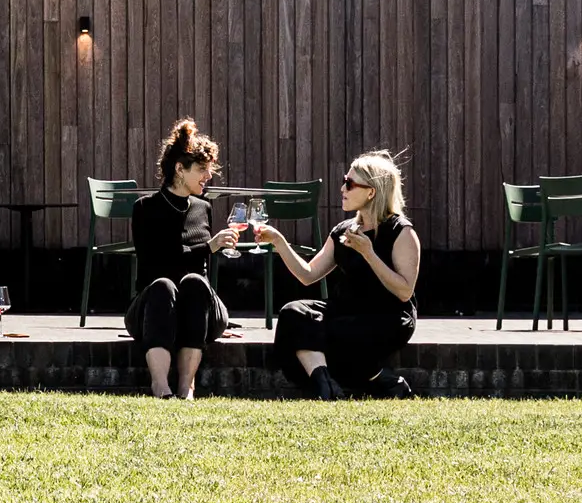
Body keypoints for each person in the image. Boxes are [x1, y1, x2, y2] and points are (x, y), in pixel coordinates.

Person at [255, 149, 422, 396]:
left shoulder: (401, 232)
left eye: (350, 184)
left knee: (323, 334)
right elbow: (308, 274)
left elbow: (404, 291)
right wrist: (279, 241)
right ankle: (326, 383)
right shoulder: (343, 230)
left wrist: (369, 253)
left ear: (371, 192)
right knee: (293, 313)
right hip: (347, 308)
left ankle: (378, 378)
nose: (343, 189)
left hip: (387, 315)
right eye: (345, 181)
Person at [132, 119, 239, 398]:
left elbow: (199, 270)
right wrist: (209, 247)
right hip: (153, 308)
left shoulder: (203, 207)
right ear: (180, 168)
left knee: (193, 281)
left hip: (195, 306)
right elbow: (153, 263)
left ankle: (186, 386)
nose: (208, 176)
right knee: (163, 284)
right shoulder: (145, 208)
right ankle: (160, 385)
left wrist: (211, 249)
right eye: (202, 169)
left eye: (210, 169)